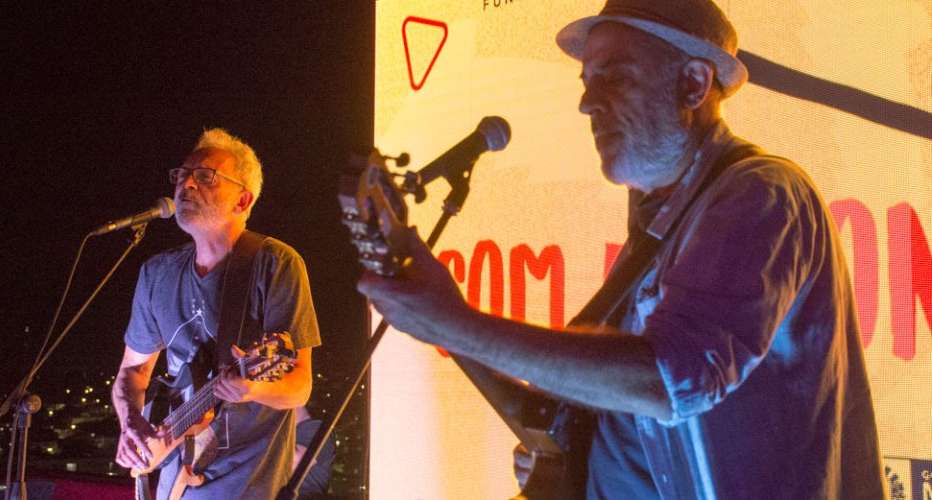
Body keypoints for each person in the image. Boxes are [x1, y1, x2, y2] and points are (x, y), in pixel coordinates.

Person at [357, 0, 887, 498]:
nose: (587, 102)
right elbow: (621, 408)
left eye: (615, 76)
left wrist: (455, 326)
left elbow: (672, 378)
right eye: (587, 81)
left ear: (694, 84)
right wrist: (570, 453)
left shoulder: (760, 193)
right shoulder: (659, 217)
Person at [111, 128, 321, 499]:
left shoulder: (276, 264)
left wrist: (253, 387)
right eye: (182, 174)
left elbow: (300, 385)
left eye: (205, 176)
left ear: (243, 200)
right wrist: (132, 425)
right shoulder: (156, 273)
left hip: (248, 483)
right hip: (176, 477)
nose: (187, 183)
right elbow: (133, 370)